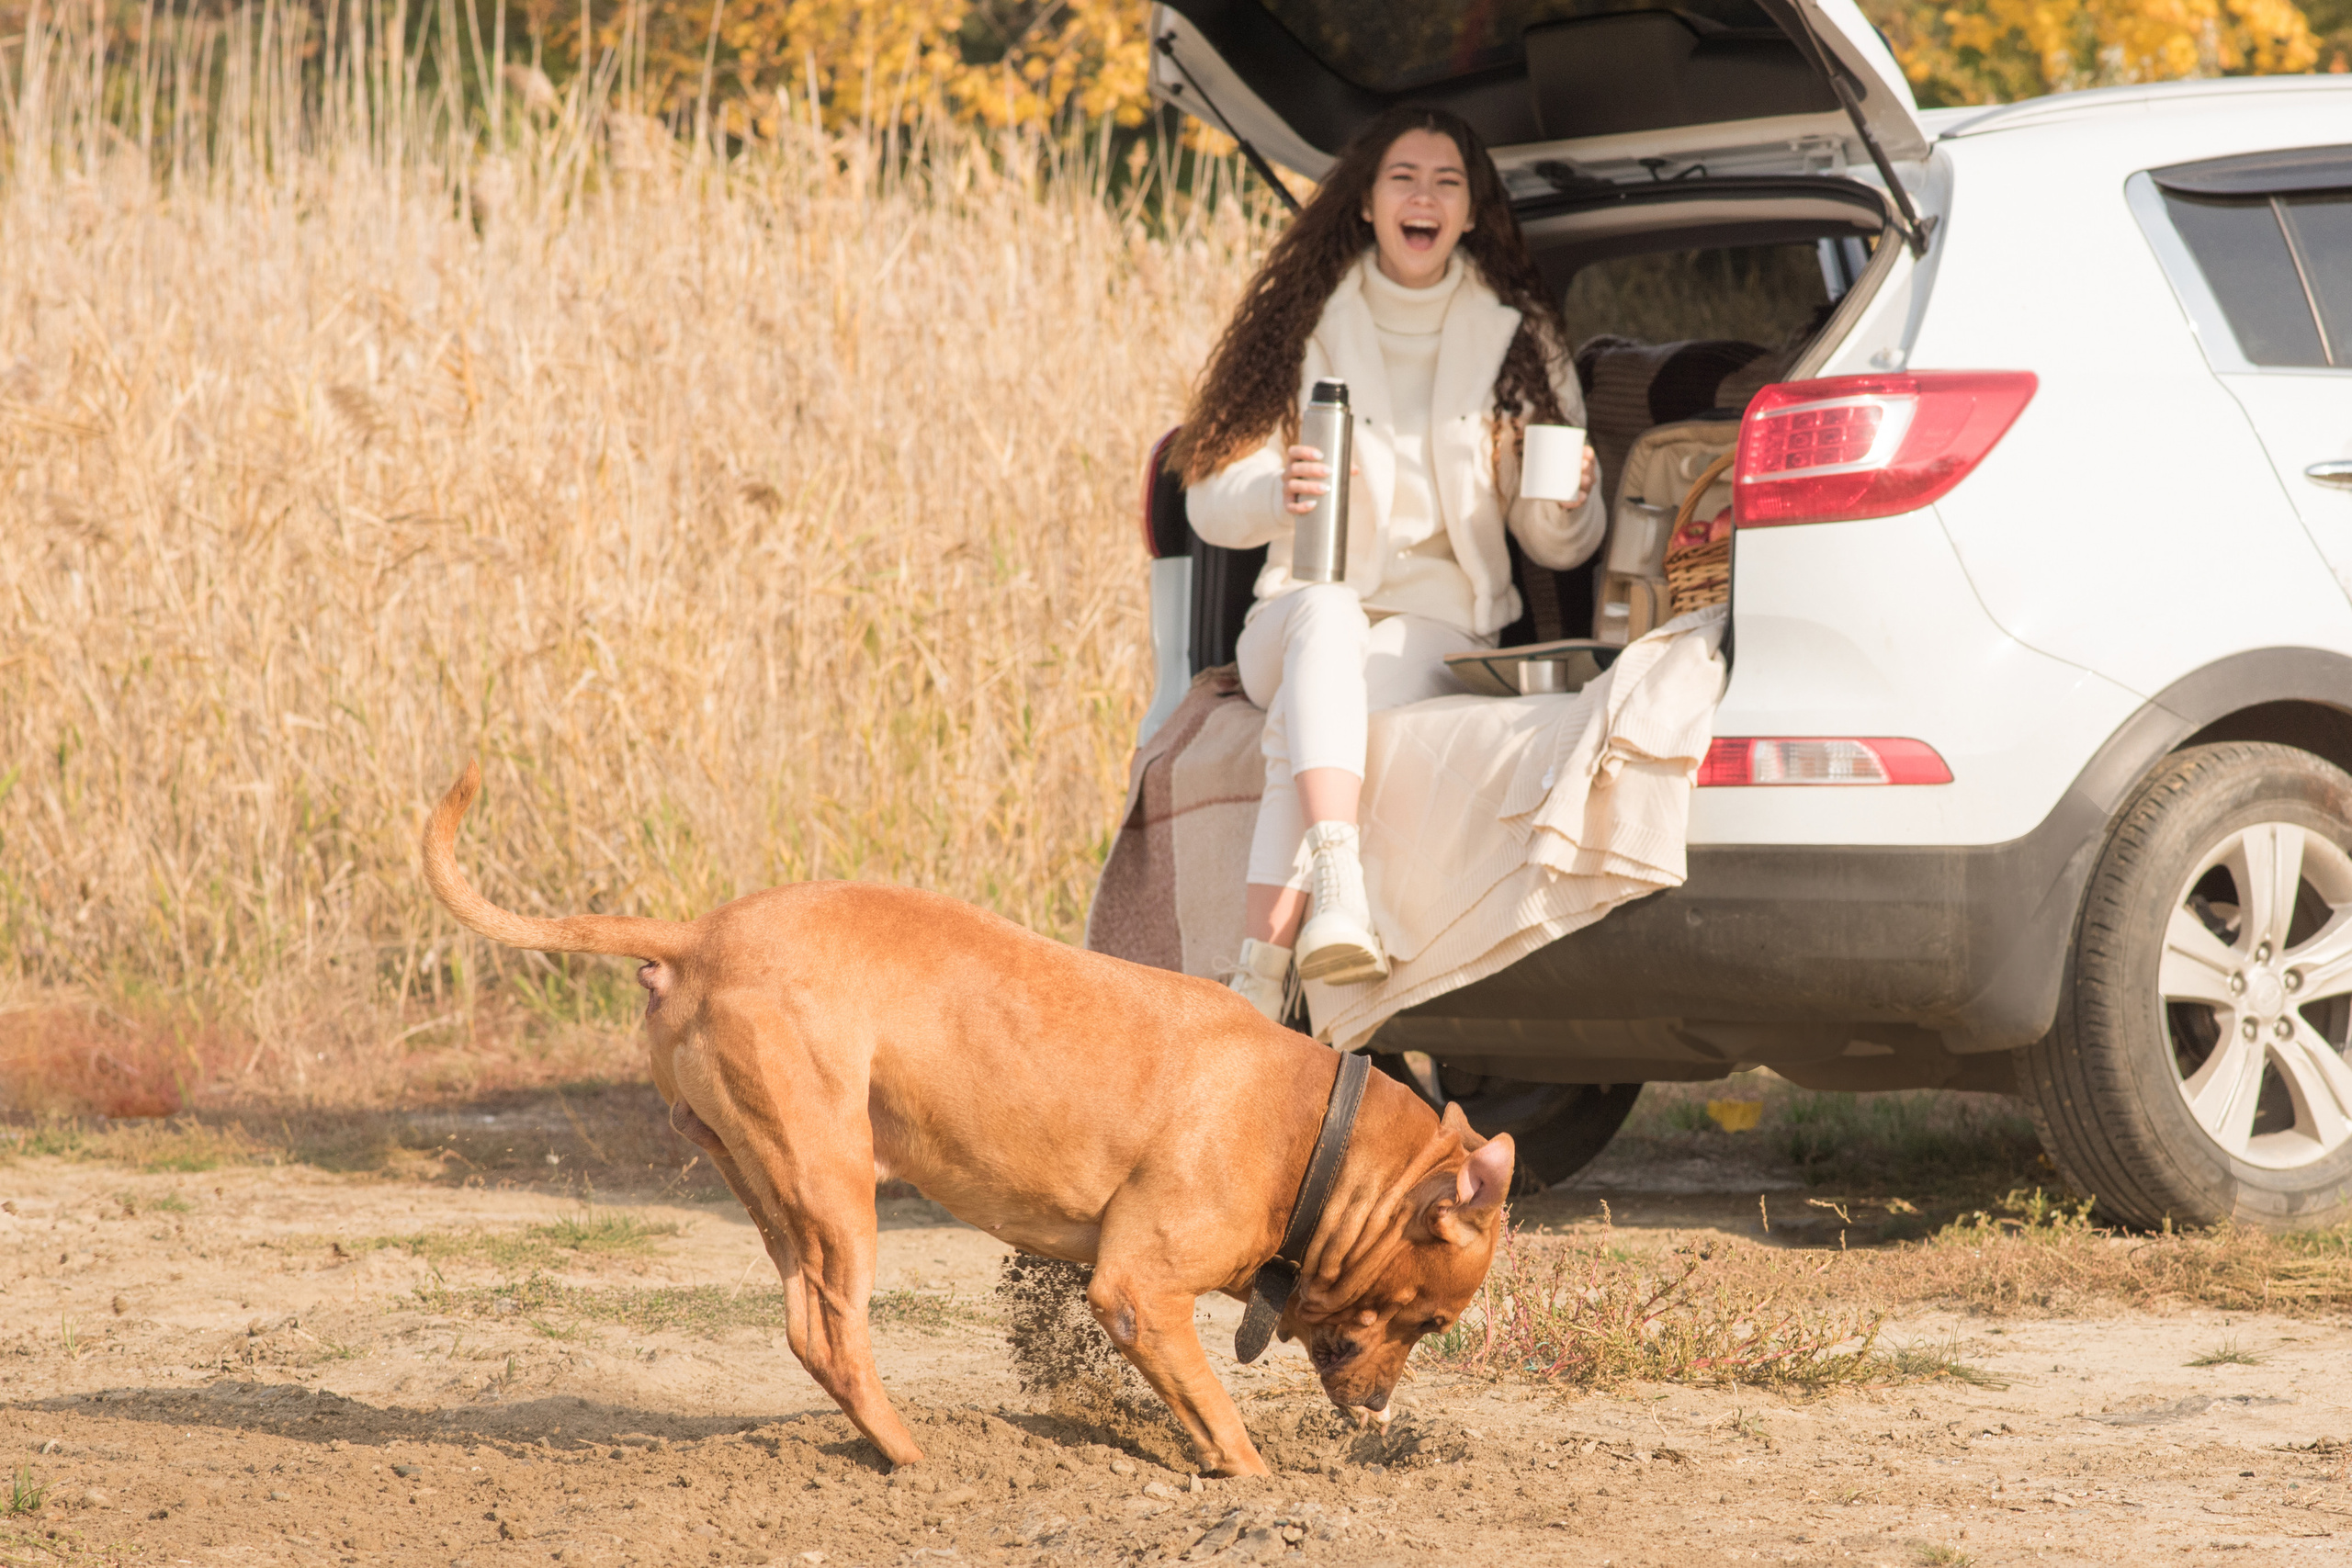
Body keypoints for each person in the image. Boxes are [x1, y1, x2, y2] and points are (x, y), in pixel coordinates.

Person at [1174, 104, 1605, 1023]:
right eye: (1403, 178)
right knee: (1327, 620)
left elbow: (1551, 543)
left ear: (1471, 212)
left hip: (1437, 629)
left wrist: (1569, 503)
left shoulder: (1517, 336)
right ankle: (1337, 890)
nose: (1424, 197)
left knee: (1317, 714)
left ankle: (1257, 984)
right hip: (1291, 612)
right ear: (1367, 202)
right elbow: (1208, 500)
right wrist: (1274, 493)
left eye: (1447, 182)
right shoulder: (1301, 321)